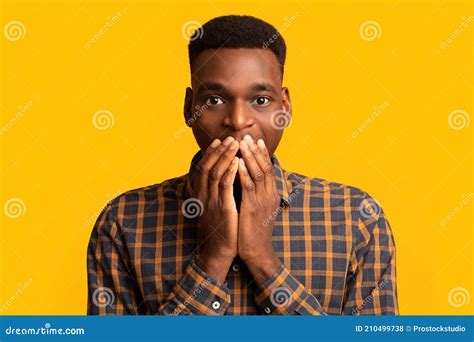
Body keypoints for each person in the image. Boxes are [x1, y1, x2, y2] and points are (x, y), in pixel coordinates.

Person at [87, 15, 399, 315]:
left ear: (285, 107)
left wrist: (262, 258)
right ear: (188, 107)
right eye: (214, 100)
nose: (237, 121)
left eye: (260, 100)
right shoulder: (123, 222)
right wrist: (215, 256)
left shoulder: (357, 218)